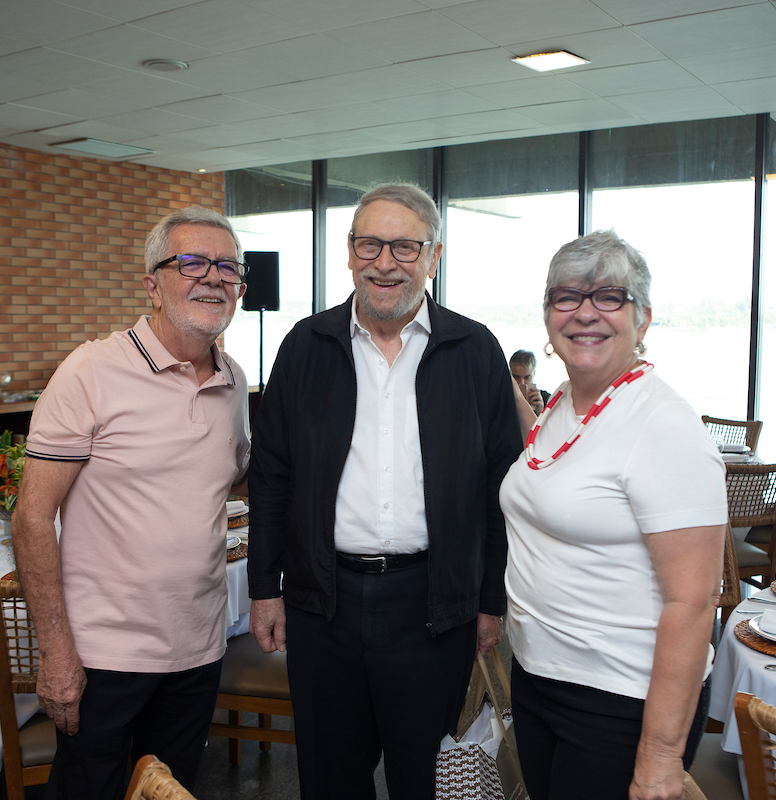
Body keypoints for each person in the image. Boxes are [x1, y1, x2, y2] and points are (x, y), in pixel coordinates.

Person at [247, 182, 522, 800]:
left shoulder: (474, 350)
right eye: (370, 244)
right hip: (324, 604)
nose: (385, 262)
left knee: (422, 778)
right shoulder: (305, 347)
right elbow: (271, 478)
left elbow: (500, 488)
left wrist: (489, 600)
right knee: (329, 777)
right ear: (349, 253)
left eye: (404, 246)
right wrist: (264, 589)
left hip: (431, 606)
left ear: (433, 257)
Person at [12, 207, 251, 797]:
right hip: (105, 655)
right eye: (191, 262)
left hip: (198, 644)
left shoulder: (234, 380)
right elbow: (32, 518)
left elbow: (235, 479)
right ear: (152, 284)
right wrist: (58, 653)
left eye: (228, 267)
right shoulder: (91, 370)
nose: (213, 278)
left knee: (172, 791)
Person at [500, 231, 726, 800]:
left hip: (619, 696)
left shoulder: (663, 424)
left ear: (643, 318)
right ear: (548, 317)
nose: (585, 313)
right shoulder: (561, 406)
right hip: (538, 674)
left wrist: (659, 761)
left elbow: (693, 602)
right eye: (567, 297)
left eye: (609, 297)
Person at [510, 349, 551, 414]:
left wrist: (541, 412)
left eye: (527, 377)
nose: (522, 382)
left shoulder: (547, 400)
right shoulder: (502, 398)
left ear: (534, 374)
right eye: (516, 377)